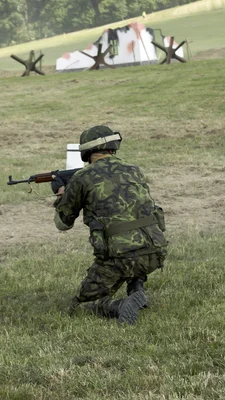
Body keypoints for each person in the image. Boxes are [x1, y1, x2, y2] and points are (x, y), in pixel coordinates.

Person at [53, 126, 168, 324]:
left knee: (80, 307)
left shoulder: (82, 178)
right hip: (155, 252)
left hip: (119, 258)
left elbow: (63, 224)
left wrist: (62, 194)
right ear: (113, 146)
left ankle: (121, 305)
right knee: (132, 238)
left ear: (86, 151)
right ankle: (136, 286)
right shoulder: (134, 170)